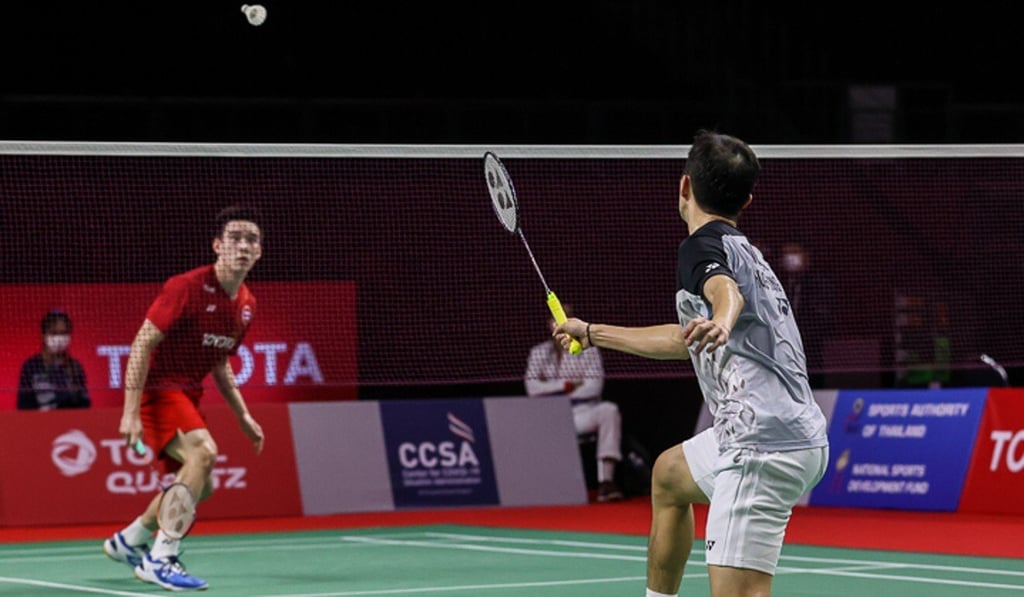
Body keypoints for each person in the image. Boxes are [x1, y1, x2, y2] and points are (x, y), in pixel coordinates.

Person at [553, 130, 829, 597]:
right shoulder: (745, 250)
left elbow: (727, 294)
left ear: (684, 187)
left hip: (762, 444)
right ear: (747, 199)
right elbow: (686, 341)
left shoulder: (702, 247)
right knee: (668, 476)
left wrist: (721, 319)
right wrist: (593, 332)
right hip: (777, 429)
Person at [103, 205, 267, 592]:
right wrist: (130, 412)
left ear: (259, 252)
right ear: (217, 246)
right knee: (204, 454)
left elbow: (220, 361)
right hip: (159, 387)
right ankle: (161, 558)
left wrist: (243, 415)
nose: (243, 246)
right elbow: (142, 343)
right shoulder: (186, 287)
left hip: (189, 393)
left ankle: (130, 539)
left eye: (251, 240)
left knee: (201, 484)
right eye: (234, 238)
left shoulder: (247, 305)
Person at [525, 311, 624, 503]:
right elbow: (532, 388)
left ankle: (606, 482)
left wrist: (549, 388)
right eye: (556, 319)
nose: (560, 322)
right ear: (549, 323)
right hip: (549, 416)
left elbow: (593, 388)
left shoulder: (589, 350)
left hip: (581, 413)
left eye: (565, 317)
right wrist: (567, 386)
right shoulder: (538, 353)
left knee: (608, 410)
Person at [17, 309, 91, 410]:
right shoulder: (31, 366)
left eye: (63, 333)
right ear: (44, 335)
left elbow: (85, 405)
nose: (59, 338)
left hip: (70, 423)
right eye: (54, 333)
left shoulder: (75, 367)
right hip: (40, 422)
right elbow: (23, 405)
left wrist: (74, 395)